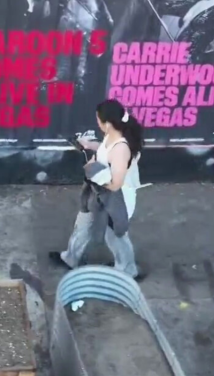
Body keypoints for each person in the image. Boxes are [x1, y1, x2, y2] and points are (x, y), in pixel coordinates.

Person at [49, 99, 144, 280]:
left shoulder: (121, 149)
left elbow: (115, 184)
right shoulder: (112, 136)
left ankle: (128, 270)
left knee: (115, 235)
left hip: (116, 200)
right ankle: (71, 258)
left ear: (107, 124)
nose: (97, 123)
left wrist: (93, 171)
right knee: (84, 223)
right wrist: (90, 145)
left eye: (98, 120)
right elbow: (105, 151)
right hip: (98, 193)